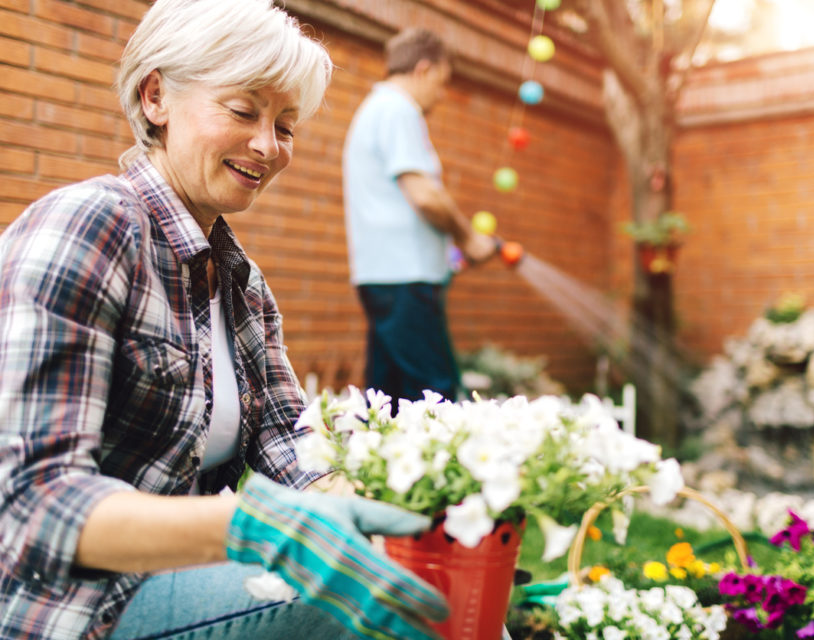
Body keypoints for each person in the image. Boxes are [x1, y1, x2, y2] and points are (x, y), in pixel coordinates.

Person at [0, 1, 448, 639]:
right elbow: (30, 504)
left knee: (433, 587)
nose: (267, 145)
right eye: (242, 111)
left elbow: (293, 449)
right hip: (71, 610)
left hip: (179, 582)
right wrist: (251, 527)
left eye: (286, 125)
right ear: (156, 96)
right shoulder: (88, 227)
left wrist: (412, 539)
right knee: (367, 616)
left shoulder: (240, 283)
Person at [343, 27, 498, 408]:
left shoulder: (375, 109)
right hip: (405, 280)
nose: (441, 95)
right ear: (424, 69)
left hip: (384, 276)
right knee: (436, 396)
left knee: (387, 401)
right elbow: (425, 195)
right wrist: (469, 239)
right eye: (442, 83)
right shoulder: (399, 109)